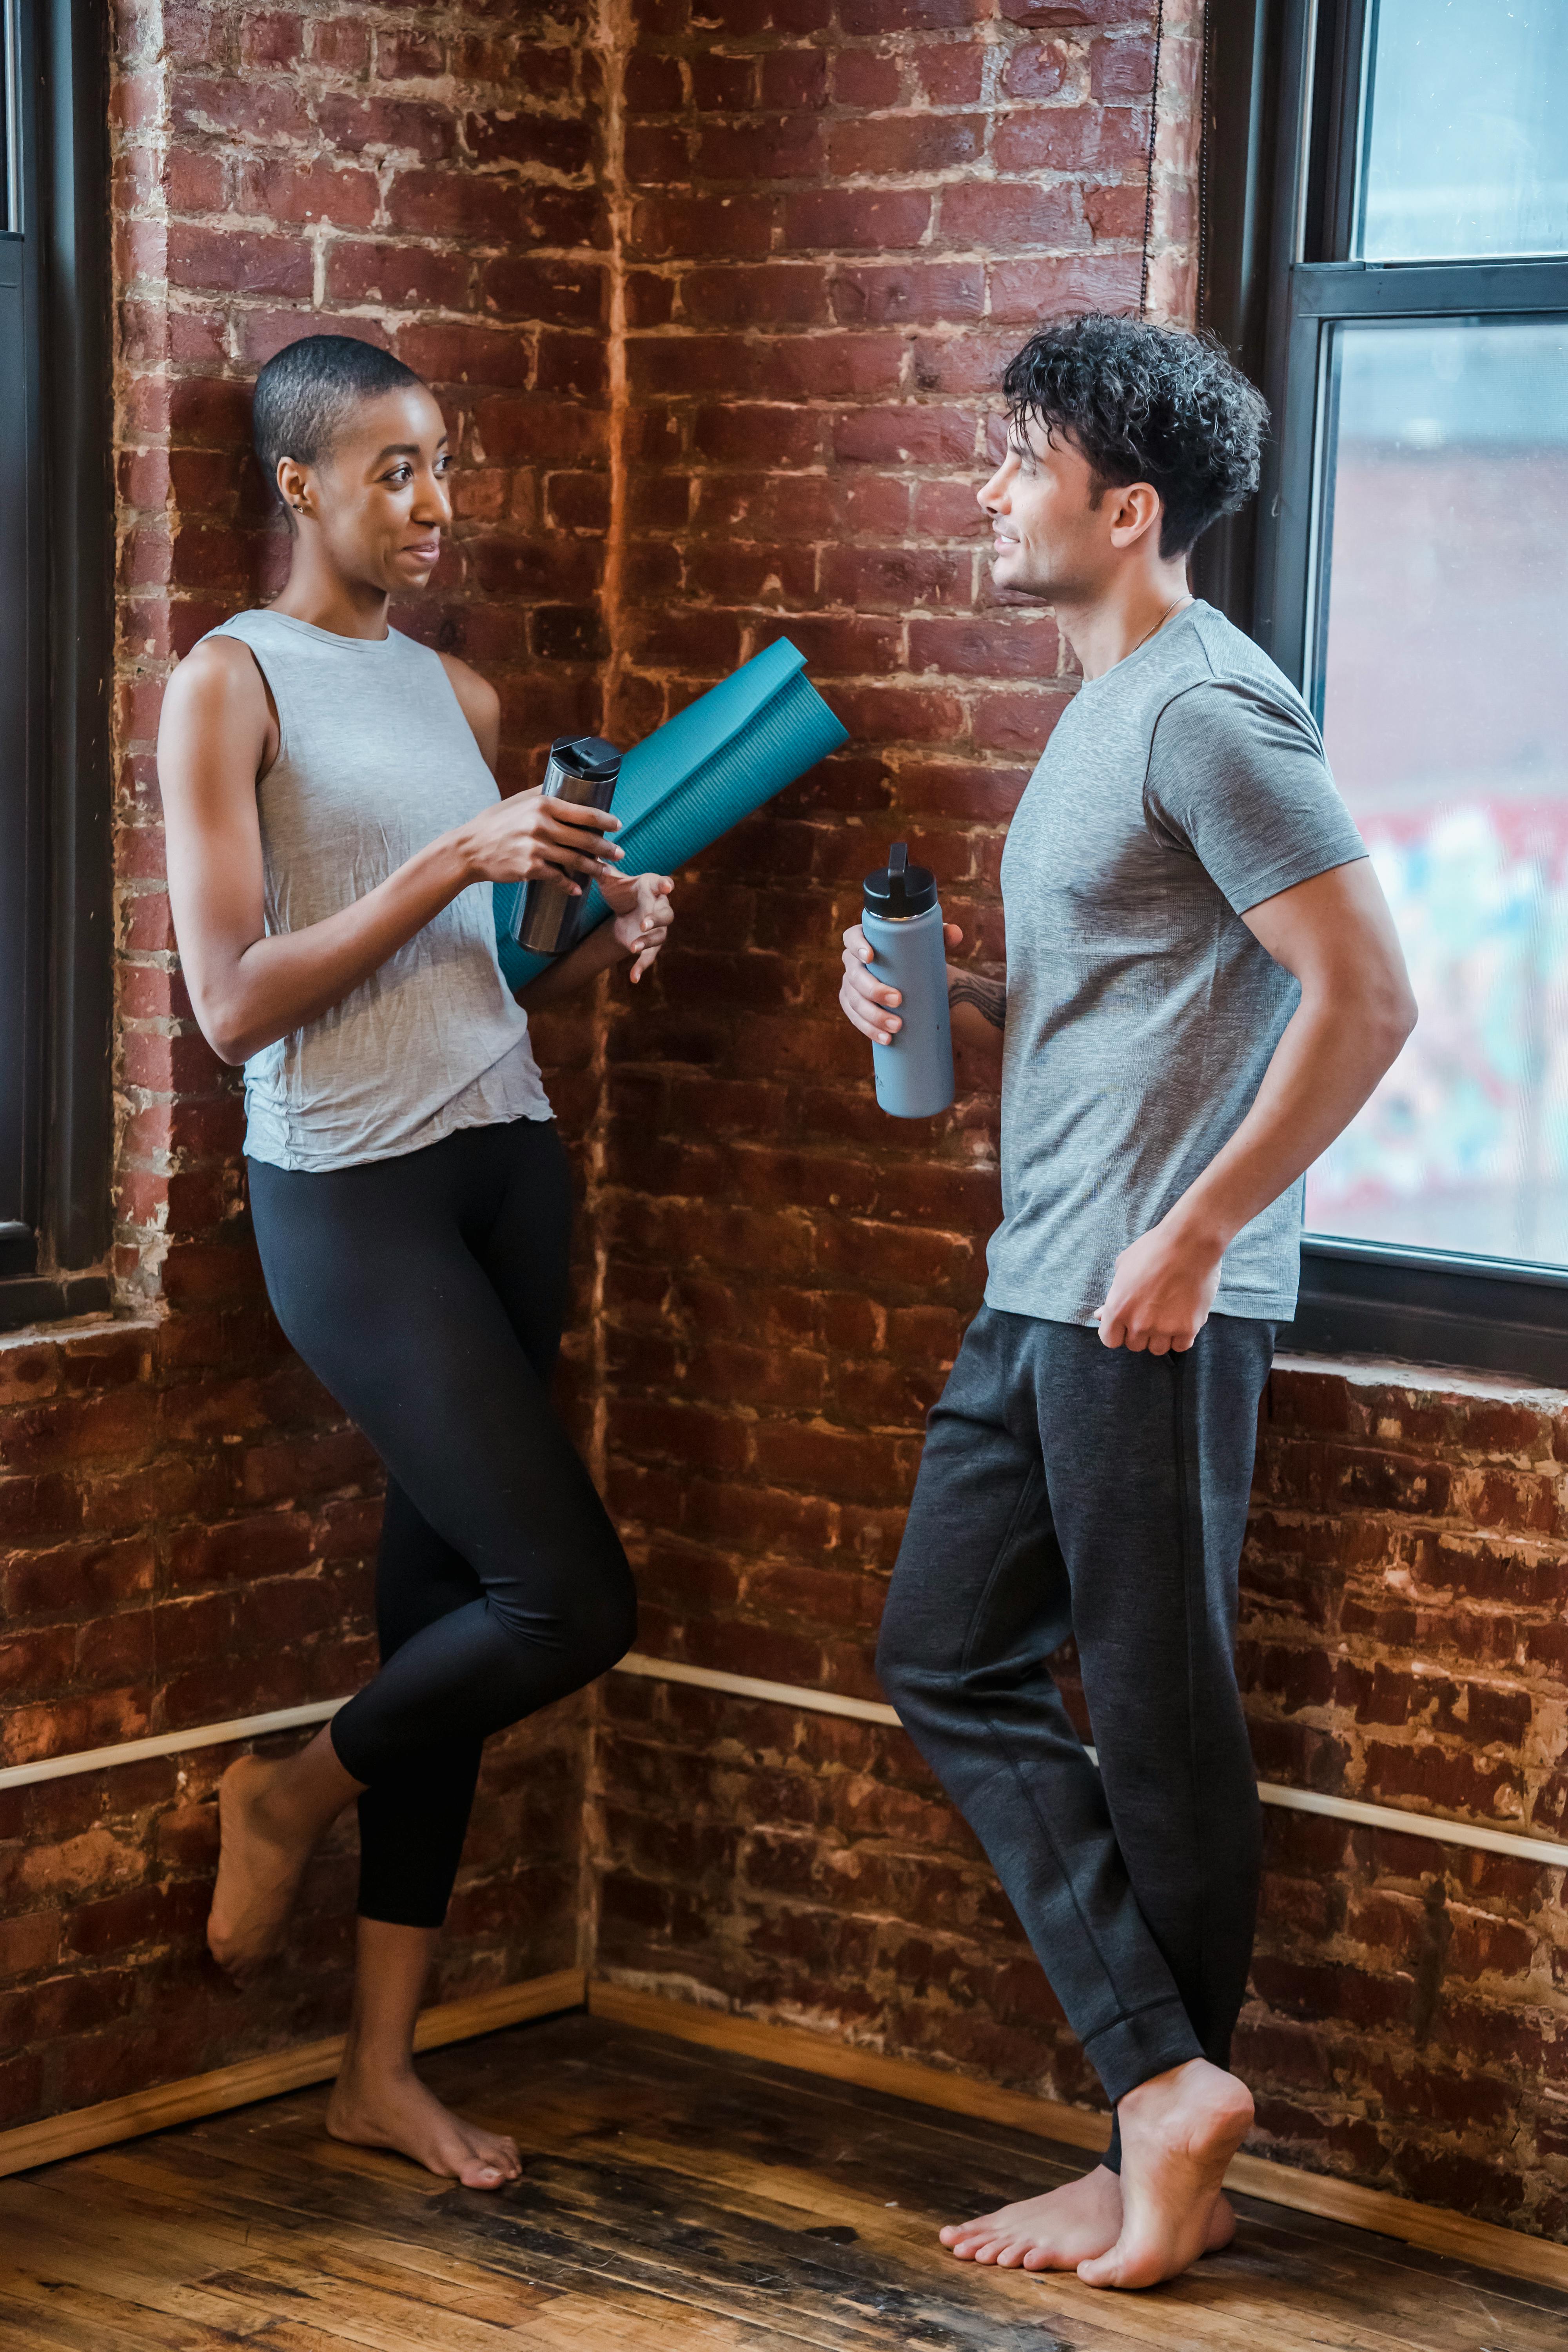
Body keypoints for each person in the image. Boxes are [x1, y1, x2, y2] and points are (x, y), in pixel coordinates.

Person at [838, 314, 1416, 2292]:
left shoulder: (1206, 714)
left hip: (1151, 1296)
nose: (989, 485)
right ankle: (1162, 2098)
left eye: (1020, 457)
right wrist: (954, 1009)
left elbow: (1367, 997)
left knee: (1156, 1719)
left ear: (1126, 504)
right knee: (946, 1652)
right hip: (1049, 1278)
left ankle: (1159, 2140)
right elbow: (1146, 1001)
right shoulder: (1099, 704)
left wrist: (1194, 1234)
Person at [158, 334, 674, 2191]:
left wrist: (590, 925)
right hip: (351, 1201)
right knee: (569, 1603)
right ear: (299, 484)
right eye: (393, 470)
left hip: (503, 1165)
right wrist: (456, 859)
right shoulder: (230, 686)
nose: (435, 501)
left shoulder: (453, 685)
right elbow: (233, 1011)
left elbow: (483, 963)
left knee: (443, 1618)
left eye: (440, 464)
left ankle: (376, 2072)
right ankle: (286, 1789)